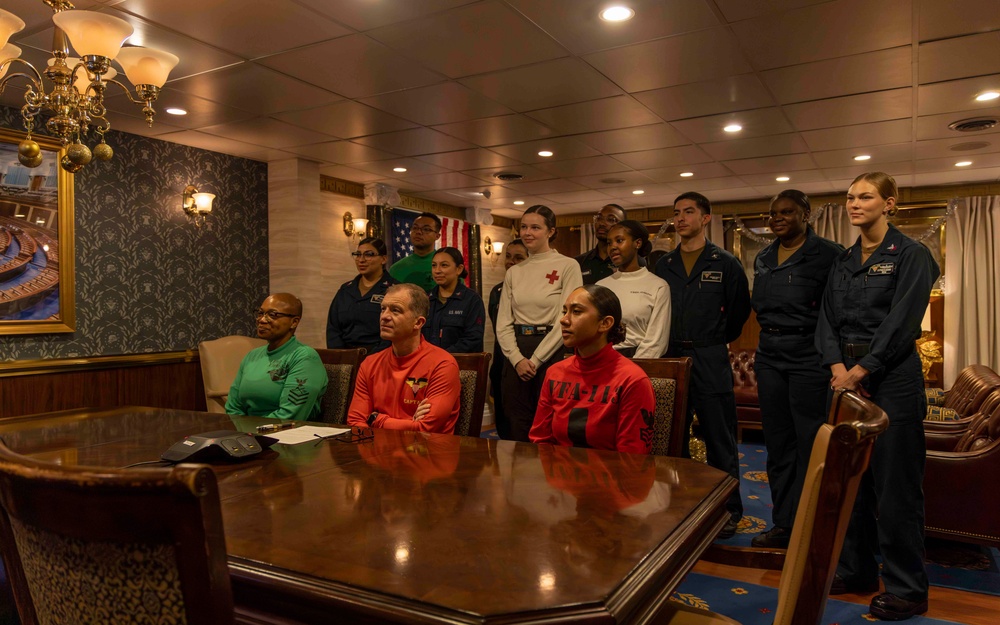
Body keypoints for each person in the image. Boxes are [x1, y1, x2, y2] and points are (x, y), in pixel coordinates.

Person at [816, 172, 939, 621]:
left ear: (890, 203)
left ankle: (908, 589)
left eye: (865, 196)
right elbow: (825, 320)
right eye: (849, 197)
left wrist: (862, 369)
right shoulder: (844, 259)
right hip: (844, 377)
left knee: (896, 488)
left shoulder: (912, 254)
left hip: (891, 379)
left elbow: (903, 321)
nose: (854, 203)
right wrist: (836, 368)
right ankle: (857, 569)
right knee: (852, 482)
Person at [748, 190, 843, 549]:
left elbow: (835, 310)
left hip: (808, 357)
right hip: (770, 356)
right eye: (773, 213)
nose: (777, 218)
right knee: (778, 444)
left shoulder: (829, 254)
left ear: (806, 214)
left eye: (787, 212)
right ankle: (785, 524)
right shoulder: (764, 256)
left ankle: (813, 524)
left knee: (809, 445)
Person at [654, 191, 751, 538]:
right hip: (671, 357)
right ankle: (677, 504)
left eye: (689, 212)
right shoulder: (662, 265)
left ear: (706, 218)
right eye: (676, 212)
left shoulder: (724, 262)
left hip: (709, 356)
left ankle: (728, 510)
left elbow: (739, 312)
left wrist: (714, 337)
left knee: (718, 437)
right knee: (671, 437)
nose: (681, 218)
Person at [529, 285, 655, 453]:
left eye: (576, 312)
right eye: (564, 311)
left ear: (605, 323)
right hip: (557, 475)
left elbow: (631, 458)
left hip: (611, 477)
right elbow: (540, 440)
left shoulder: (632, 380)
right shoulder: (554, 373)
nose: (564, 320)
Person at [496, 205, 583, 441]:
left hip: (552, 349)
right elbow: (503, 322)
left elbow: (567, 318)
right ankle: (517, 477)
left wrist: (535, 360)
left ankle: (549, 476)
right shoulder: (515, 272)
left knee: (550, 421)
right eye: (524, 227)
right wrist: (516, 359)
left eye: (535, 227)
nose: (527, 232)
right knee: (517, 421)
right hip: (517, 351)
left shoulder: (567, 265)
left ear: (551, 231)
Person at [347, 283, 461, 433]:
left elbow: (425, 428)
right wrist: (409, 423)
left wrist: (376, 419)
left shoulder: (443, 364)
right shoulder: (370, 363)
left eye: (395, 310)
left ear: (418, 322)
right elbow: (355, 422)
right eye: (383, 309)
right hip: (376, 452)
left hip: (427, 452)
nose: (385, 316)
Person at [226, 293, 328, 421]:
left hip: (286, 435)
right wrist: (241, 434)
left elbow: (290, 416)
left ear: (294, 322)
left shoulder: (304, 357)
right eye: (260, 313)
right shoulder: (252, 356)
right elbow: (233, 407)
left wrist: (251, 432)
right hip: (247, 435)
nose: (262, 320)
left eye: (273, 315)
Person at [597, 220, 671, 359]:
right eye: (609, 243)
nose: (612, 247)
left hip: (638, 359)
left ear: (637, 243)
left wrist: (632, 368)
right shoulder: (601, 286)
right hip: (602, 359)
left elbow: (656, 341)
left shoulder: (658, 286)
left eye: (619, 240)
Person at [326, 237, 397, 353]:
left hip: (380, 357)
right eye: (358, 255)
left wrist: (373, 358)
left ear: (383, 259)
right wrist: (339, 356)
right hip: (346, 358)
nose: (361, 260)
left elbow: (395, 330)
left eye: (369, 255)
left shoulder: (395, 289)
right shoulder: (346, 289)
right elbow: (333, 328)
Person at [487, 239, 529, 439]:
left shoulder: (534, 293)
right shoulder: (497, 291)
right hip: (502, 362)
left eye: (519, 257)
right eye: (508, 256)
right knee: (504, 423)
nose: (511, 262)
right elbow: (498, 328)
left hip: (524, 362)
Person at [423, 247, 485, 352]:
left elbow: (473, 339)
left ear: (459, 269)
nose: (437, 271)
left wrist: (443, 357)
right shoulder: (425, 298)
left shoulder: (472, 300)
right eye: (434, 265)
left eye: (444, 265)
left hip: (459, 364)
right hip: (427, 362)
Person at [575, 203, 627, 284]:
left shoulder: (629, 261)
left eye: (611, 220)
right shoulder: (579, 262)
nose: (601, 223)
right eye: (599, 218)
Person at [389, 212, 441, 292]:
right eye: (415, 228)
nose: (418, 232)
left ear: (437, 236)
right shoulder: (396, 269)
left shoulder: (447, 266)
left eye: (426, 229)